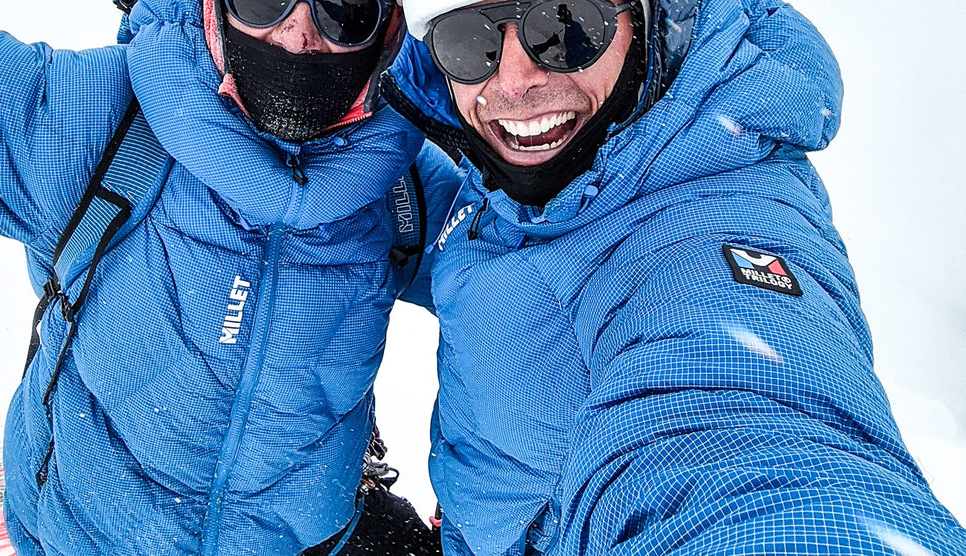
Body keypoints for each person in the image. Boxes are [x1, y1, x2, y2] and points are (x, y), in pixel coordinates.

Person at [383, 0, 966, 553]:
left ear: (651, 19)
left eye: (563, 27)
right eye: (468, 41)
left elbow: (746, 434)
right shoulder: (521, 173)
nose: (511, 84)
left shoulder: (708, 227)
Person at [0, 0, 457, 553]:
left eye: (343, 11)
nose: (297, 36)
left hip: (314, 538)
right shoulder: (93, 120)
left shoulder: (399, 189)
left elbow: (529, 292)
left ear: (390, 29)